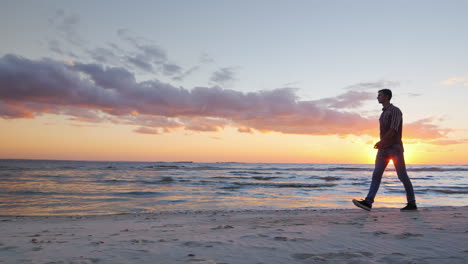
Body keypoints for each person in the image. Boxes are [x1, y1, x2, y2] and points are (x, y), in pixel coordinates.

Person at [352, 89, 417, 211]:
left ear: (386, 97)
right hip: (383, 150)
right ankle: (368, 202)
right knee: (376, 175)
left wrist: (381, 142)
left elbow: (393, 130)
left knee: (402, 176)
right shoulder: (383, 113)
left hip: (394, 148)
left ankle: (412, 203)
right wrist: (382, 144)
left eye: (379, 95)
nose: (377, 97)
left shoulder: (395, 111)